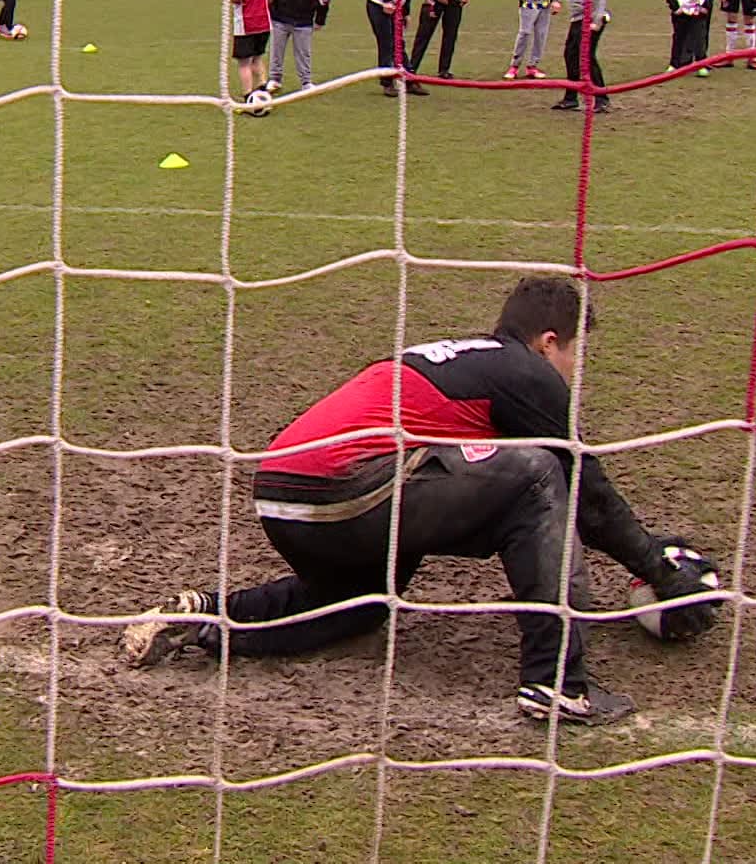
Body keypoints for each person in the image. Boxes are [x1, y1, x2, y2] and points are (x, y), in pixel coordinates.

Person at [118, 278, 722, 725]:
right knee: (540, 476)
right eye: (573, 353)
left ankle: (206, 616)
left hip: (283, 493)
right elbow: (587, 495)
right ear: (547, 343)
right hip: (347, 487)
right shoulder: (528, 374)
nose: (573, 370)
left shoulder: (469, 359)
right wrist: (658, 566)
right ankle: (557, 683)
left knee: (362, 603)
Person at [367, 0, 453, 97]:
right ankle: (387, 82)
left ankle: (409, 80)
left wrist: (405, 13)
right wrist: (386, 1)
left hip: (395, 6)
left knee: (399, 43)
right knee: (387, 43)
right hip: (378, 3)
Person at [553, 0, 610, 113]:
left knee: (586, 58)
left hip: (588, 20)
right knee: (571, 56)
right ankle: (571, 98)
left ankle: (602, 99)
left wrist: (596, 20)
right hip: (578, 19)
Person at [228, 0, 279, 103]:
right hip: (264, 22)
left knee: (244, 62)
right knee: (257, 58)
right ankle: (263, 89)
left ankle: (248, 96)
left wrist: (236, 1)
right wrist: (265, 3)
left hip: (245, 24)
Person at [665, 0, 718, 75]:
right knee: (679, 38)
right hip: (682, 11)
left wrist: (705, 7)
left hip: (698, 12)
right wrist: (676, 8)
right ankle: (675, 64)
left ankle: (701, 64)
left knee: (699, 38)